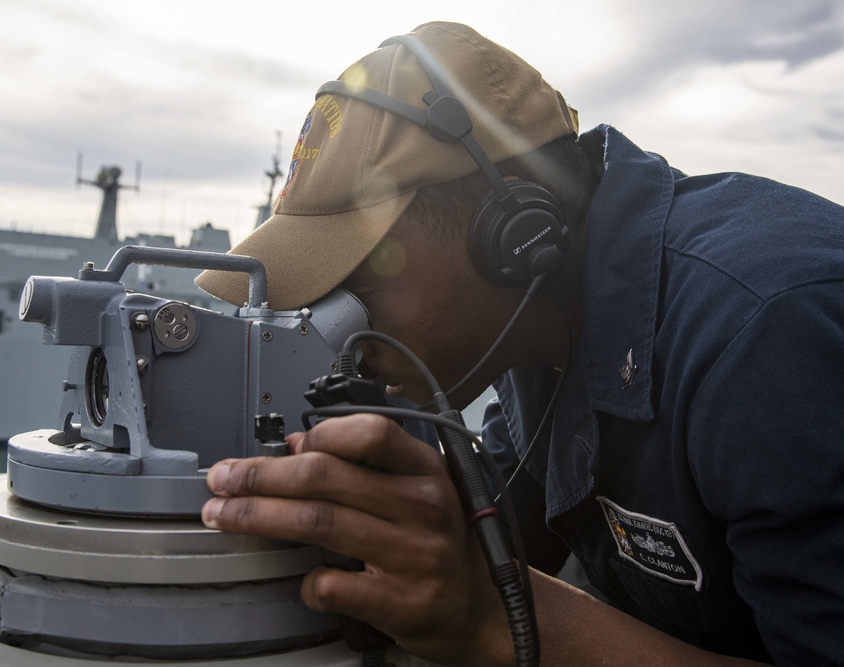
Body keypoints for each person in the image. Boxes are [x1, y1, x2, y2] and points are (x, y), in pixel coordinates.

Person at [195, 21, 844, 666]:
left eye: (356, 284)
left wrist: (491, 614)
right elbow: (500, 537)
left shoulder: (766, 336)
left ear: (508, 230)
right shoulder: (536, 335)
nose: (339, 336)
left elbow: (500, 600)